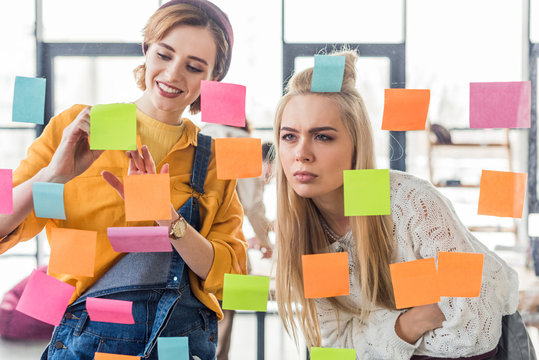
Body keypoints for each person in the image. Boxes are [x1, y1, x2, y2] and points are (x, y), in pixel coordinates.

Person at [0, 1, 247, 359]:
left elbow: (230, 275)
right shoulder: (79, 128)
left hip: (177, 348)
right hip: (83, 345)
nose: (174, 74)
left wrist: (168, 218)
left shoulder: (213, 161)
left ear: (213, 79)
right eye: (164, 54)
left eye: (194, 67)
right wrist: (54, 175)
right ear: (146, 49)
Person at [273, 50, 527, 359]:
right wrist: (409, 323)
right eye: (289, 136)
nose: (302, 153)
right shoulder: (304, 231)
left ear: (356, 144)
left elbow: (470, 329)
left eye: (322, 137)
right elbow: (335, 346)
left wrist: (371, 331)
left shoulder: (409, 202)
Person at [201, 122, 275, 360]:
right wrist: (265, 241)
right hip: (223, 256)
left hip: (186, 247)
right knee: (219, 334)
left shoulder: (200, 135)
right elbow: (252, 204)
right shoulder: (243, 143)